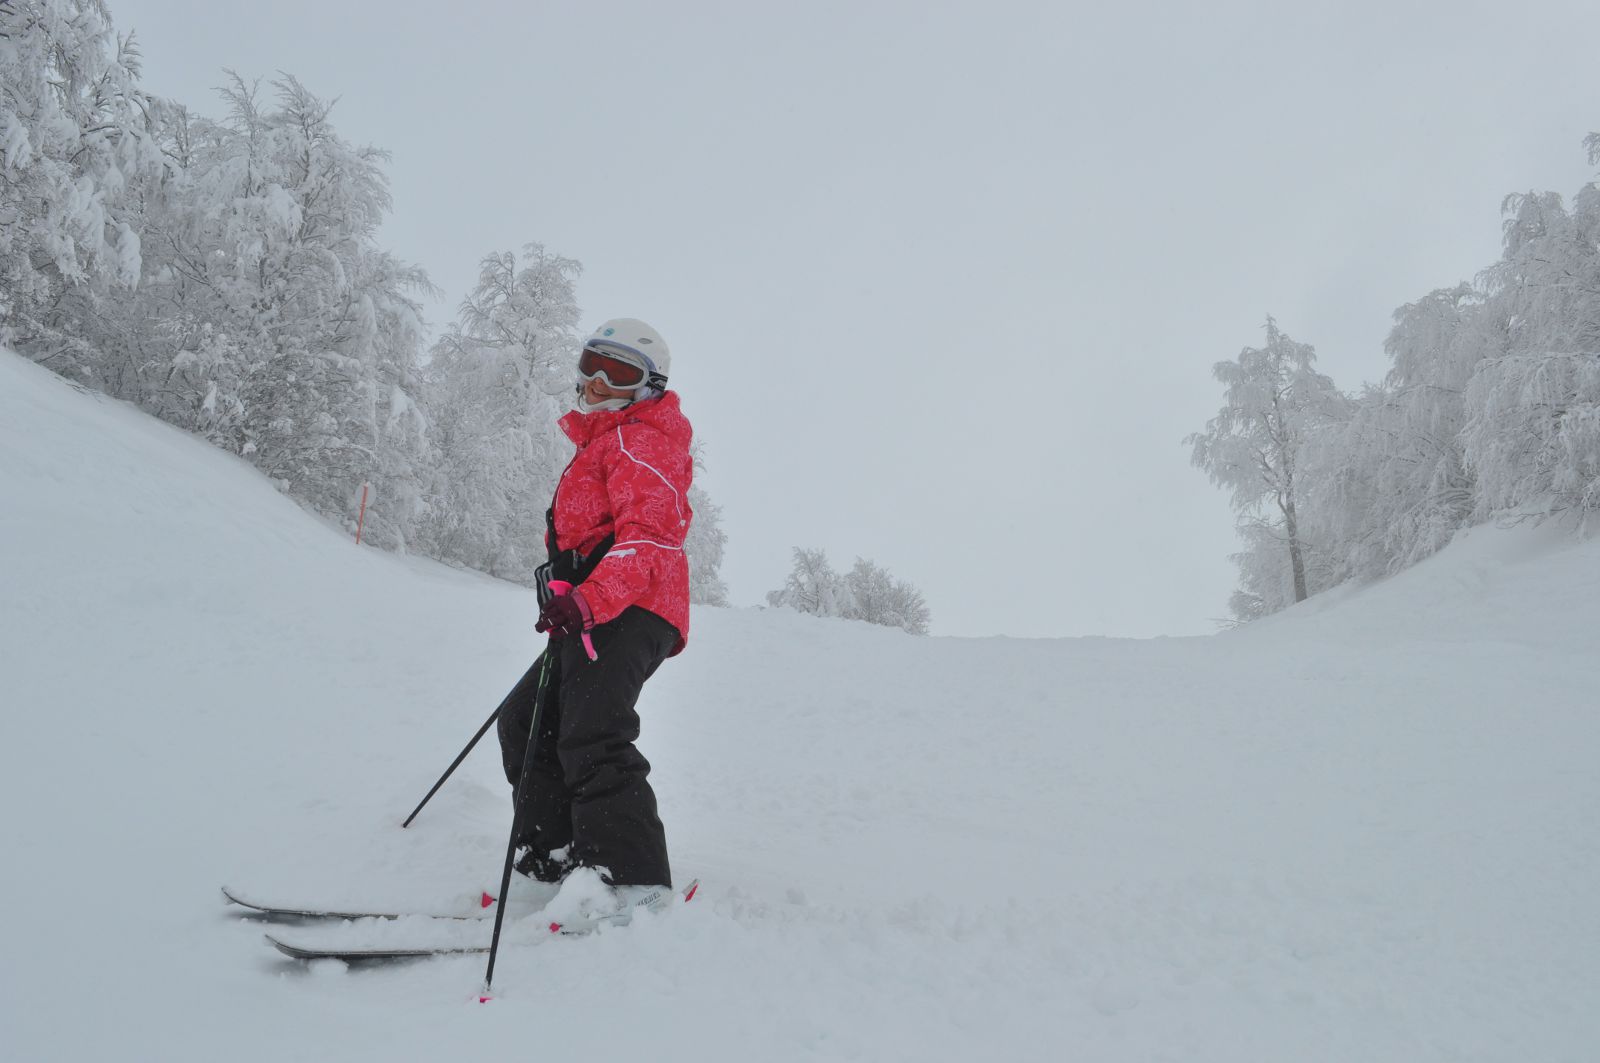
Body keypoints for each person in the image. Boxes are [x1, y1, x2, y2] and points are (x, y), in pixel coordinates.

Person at [496, 317, 694, 922]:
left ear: (649, 385)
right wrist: (567, 589)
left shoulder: (642, 440)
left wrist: (589, 598)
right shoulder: (604, 443)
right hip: (598, 609)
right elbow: (590, 537)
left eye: (621, 373)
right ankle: (553, 859)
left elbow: (651, 538)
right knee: (528, 720)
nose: (601, 382)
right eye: (593, 366)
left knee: (593, 731)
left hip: (632, 607)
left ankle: (633, 884)